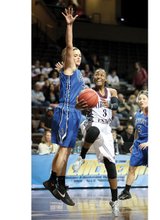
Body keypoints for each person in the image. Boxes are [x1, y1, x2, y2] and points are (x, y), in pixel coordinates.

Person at [43, 7, 87, 206]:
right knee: (63, 149)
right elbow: (69, 46)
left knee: (66, 150)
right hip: (67, 112)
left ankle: (60, 183)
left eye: (79, 55)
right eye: (74, 55)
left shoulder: (75, 73)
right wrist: (69, 25)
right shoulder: (70, 67)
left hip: (74, 113)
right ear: (68, 57)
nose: (76, 57)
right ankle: (53, 181)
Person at [72, 68, 120, 216]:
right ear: (93, 78)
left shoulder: (112, 92)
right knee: (94, 131)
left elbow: (116, 107)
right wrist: (80, 105)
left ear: (105, 78)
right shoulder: (88, 92)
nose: (98, 76)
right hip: (91, 124)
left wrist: (110, 105)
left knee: (110, 165)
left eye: (101, 74)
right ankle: (82, 157)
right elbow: (77, 106)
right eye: (96, 74)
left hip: (106, 128)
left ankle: (114, 200)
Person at [119, 90, 148, 200]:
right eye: (140, 99)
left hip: (149, 143)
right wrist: (133, 143)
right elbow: (137, 130)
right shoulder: (137, 114)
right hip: (139, 144)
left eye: (144, 98)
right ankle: (126, 191)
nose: (141, 101)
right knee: (131, 168)